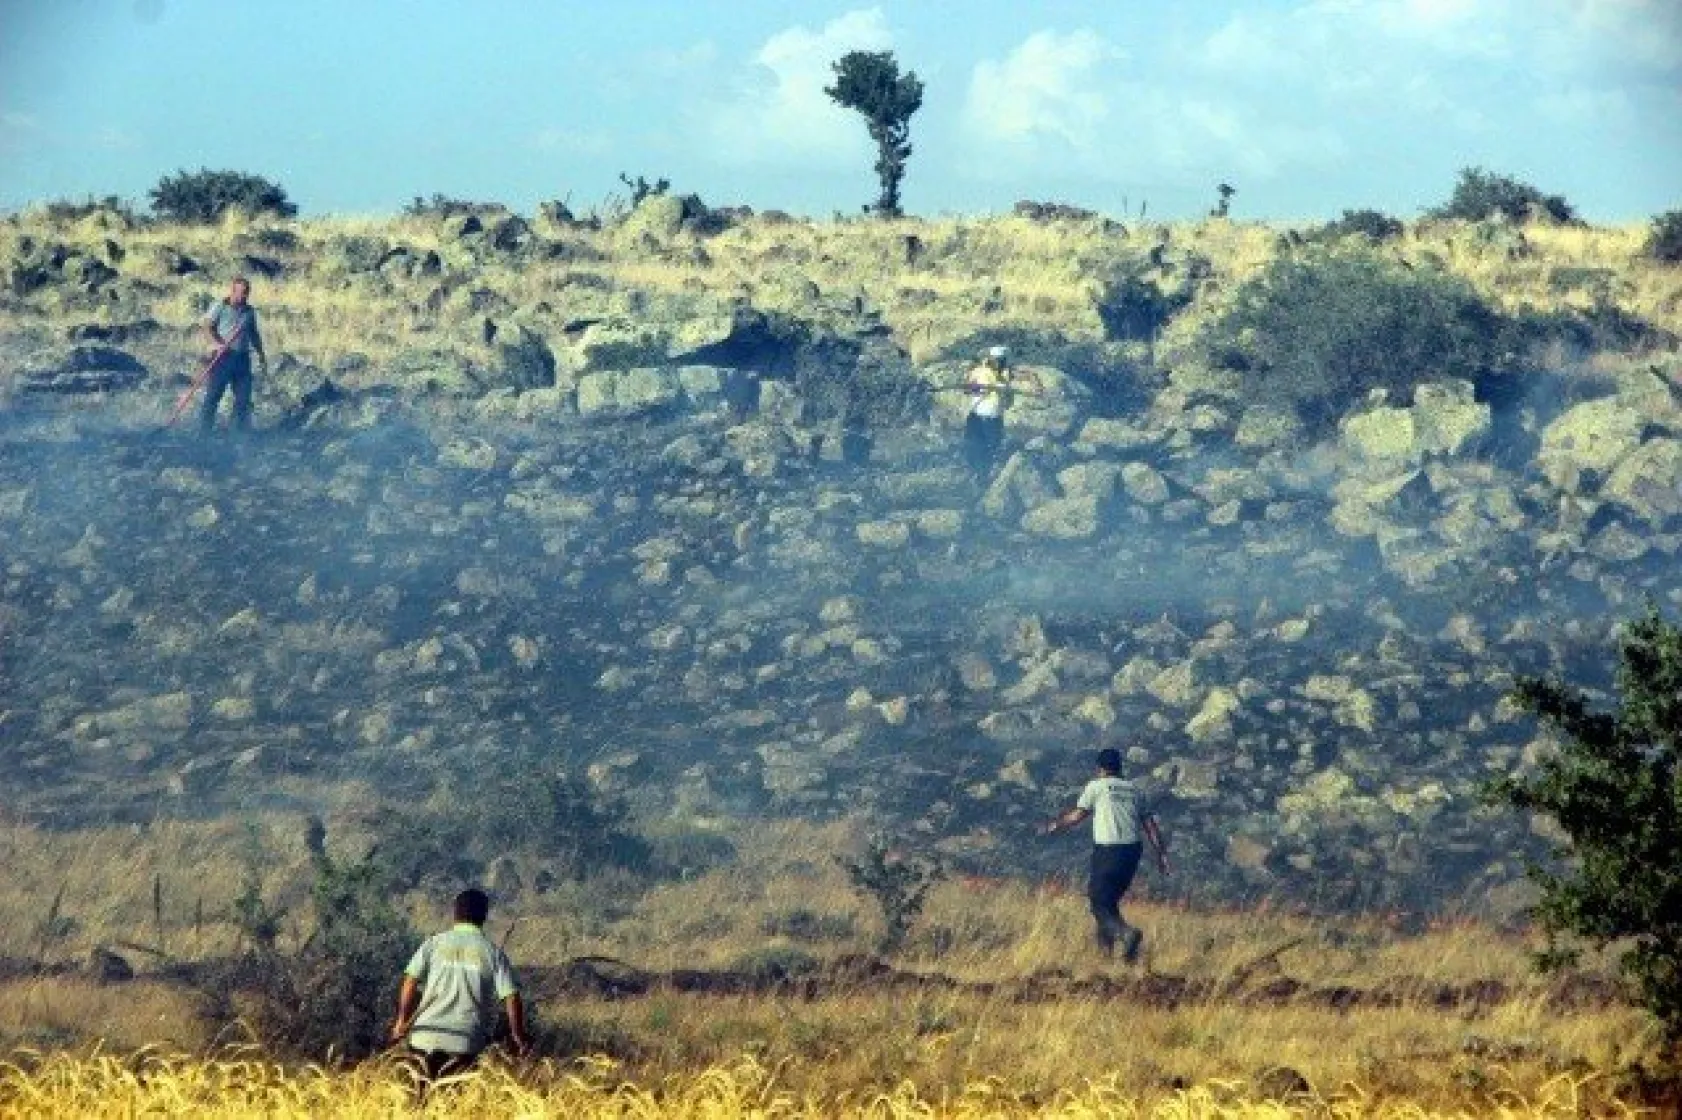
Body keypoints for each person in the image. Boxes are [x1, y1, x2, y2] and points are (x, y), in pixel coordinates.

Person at [1042, 747, 1171, 961]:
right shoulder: (1135, 790)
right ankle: (1108, 959)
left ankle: (1127, 934)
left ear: (1100, 768)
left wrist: (1054, 826)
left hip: (1108, 850)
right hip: (1132, 852)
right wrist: (1162, 855)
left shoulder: (1097, 787)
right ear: (1120, 767)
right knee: (1108, 903)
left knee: (1098, 904)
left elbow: (1077, 816)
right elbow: (1150, 826)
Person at [389, 888, 530, 1082]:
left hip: (423, 1038)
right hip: (465, 1043)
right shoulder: (493, 953)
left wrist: (401, 1021)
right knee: (454, 1106)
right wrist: (517, 1035)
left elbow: (410, 981)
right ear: (484, 916)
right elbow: (511, 997)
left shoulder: (433, 944)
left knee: (419, 1105)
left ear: (455, 914)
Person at [198, 276, 268, 434]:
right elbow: (206, 326)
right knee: (213, 397)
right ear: (233, 291)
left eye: (246, 293)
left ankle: (239, 435)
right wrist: (216, 344)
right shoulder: (220, 306)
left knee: (243, 401)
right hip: (223, 358)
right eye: (241, 293)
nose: (244, 296)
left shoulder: (249, 312)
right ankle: (203, 433)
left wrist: (261, 352)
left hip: (243, 360)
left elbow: (253, 333)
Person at [961, 345, 1041, 475]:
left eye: (1001, 360)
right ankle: (974, 475)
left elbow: (1030, 376)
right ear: (990, 359)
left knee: (992, 449)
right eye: (996, 360)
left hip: (994, 420)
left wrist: (1037, 388)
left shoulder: (1007, 373)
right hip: (976, 418)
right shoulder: (978, 371)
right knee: (974, 449)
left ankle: (985, 476)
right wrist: (978, 388)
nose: (998, 363)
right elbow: (966, 389)